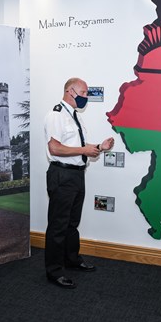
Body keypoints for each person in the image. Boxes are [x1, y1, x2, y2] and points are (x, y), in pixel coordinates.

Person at [44, 77, 114, 289]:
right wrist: (84, 150)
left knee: (72, 223)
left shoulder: (73, 116)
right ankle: (54, 272)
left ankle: (71, 260)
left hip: (76, 175)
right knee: (58, 225)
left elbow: (78, 146)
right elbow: (55, 148)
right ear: (70, 91)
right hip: (62, 175)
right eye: (83, 93)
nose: (85, 97)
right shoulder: (56, 115)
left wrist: (99, 147)